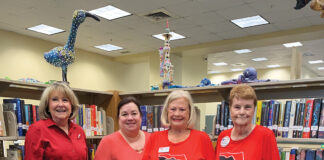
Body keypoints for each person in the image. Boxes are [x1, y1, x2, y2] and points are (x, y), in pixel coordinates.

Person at [142, 90, 215, 160]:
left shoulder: (202, 138)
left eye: (182, 109)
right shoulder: (154, 138)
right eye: (173, 109)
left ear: (189, 112)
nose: (177, 114)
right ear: (167, 111)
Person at [215, 84, 280, 160]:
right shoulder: (223, 136)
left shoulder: (266, 136)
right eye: (237, 107)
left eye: (247, 107)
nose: (242, 112)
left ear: (254, 109)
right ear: (230, 109)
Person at [25, 82, 87, 160]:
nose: (60, 104)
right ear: (47, 105)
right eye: (55, 100)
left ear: (71, 105)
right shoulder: (37, 130)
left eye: (65, 100)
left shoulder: (79, 131)